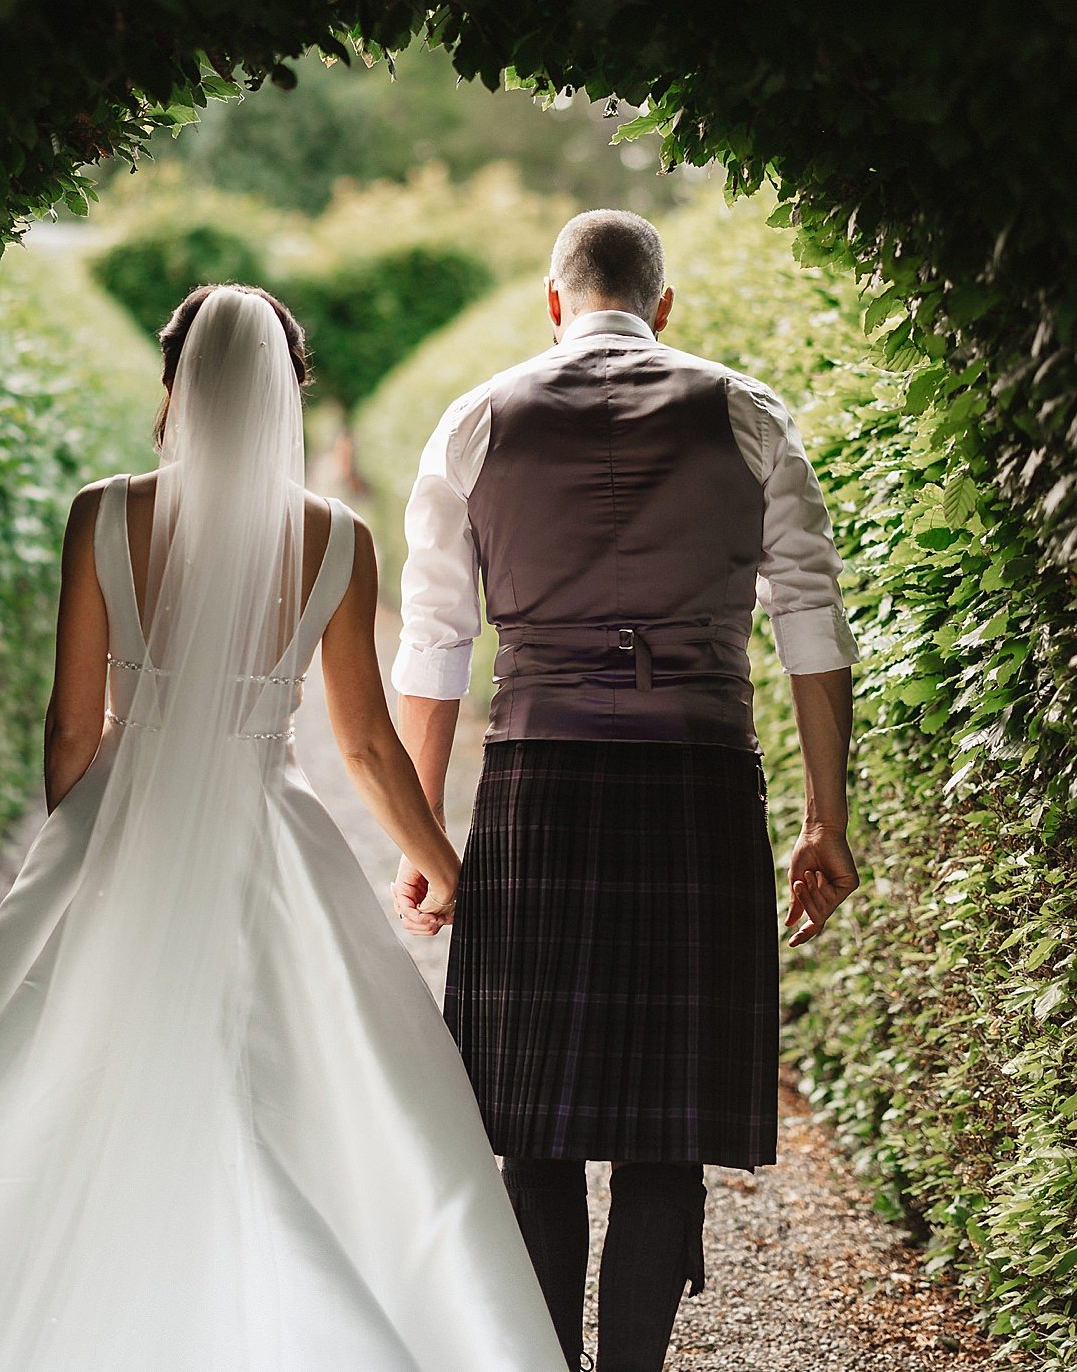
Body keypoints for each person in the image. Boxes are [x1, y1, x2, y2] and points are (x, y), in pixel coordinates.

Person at [0, 285, 567, 1371]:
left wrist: (90, 842)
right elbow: (364, 743)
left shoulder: (103, 512)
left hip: (115, 824)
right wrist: (439, 862)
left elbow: (70, 725)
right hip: (269, 837)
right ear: (291, 388)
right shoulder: (335, 539)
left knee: (51, 1086)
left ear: (171, 382)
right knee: (297, 1086)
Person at [391, 210, 863, 1372]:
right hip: (699, 784)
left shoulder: (474, 420)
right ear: (664, 304)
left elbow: (436, 642)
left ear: (553, 302)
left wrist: (425, 833)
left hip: (537, 785)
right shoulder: (746, 411)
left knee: (531, 1132)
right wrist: (824, 818)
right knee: (666, 1134)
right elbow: (810, 618)